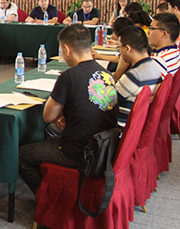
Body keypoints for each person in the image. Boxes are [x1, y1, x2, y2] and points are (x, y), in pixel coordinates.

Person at [18, 25, 119, 194]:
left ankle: (48, 198)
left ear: (66, 49)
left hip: (78, 152)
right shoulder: (106, 73)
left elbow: (48, 116)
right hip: (105, 147)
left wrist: (60, 115)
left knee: (20, 156)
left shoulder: (69, 76)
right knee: (51, 133)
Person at [115, 25, 163, 125]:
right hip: (137, 124)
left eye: (119, 47)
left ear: (127, 48)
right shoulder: (155, 68)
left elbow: (106, 103)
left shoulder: (134, 76)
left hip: (120, 127)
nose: (119, 51)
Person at [149, 13, 180, 77]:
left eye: (151, 28)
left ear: (164, 34)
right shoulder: (174, 51)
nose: (148, 32)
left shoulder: (159, 61)